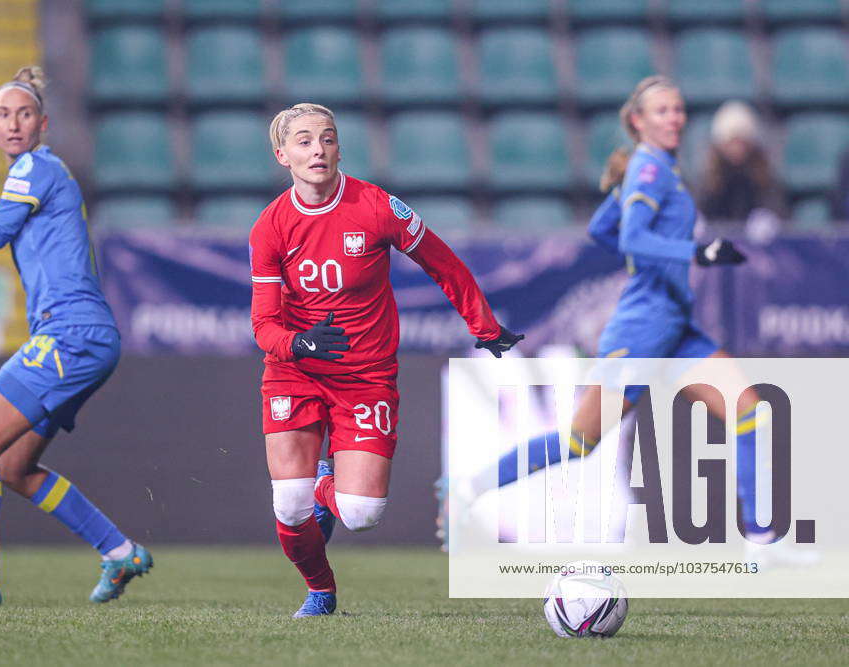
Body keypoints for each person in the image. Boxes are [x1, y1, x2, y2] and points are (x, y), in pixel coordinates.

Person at [443, 77, 781, 553]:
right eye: (662, 111)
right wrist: (697, 253)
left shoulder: (655, 168)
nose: (674, 118)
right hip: (643, 329)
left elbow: (604, 229)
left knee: (746, 410)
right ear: (639, 121)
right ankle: (470, 487)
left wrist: (649, 258)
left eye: (678, 109)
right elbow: (630, 238)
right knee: (580, 442)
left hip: (675, 326)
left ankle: (764, 542)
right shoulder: (651, 170)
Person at [249, 103, 522, 617]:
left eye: (328, 139)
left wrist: (483, 325)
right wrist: (299, 344)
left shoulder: (377, 207)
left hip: (365, 376)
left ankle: (323, 479)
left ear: (339, 148)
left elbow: (441, 261)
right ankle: (321, 591)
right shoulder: (270, 227)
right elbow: (263, 325)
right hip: (295, 372)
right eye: (304, 141)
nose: (318, 150)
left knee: (361, 513)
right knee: (289, 502)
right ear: (282, 155)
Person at [0, 66, 152, 607]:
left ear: (42, 124)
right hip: (88, 336)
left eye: (25, 114)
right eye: (3, 114)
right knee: (12, 465)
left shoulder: (33, 169)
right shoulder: (40, 174)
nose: (15, 123)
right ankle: (120, 552)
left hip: (70, 333)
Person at [698, 100, 786, 223]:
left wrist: (771, 218)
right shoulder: (708, 181)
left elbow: (778, 207)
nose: (736, 149)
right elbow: (699, 207)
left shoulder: (765, 179)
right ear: (720, 145)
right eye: (731, 142)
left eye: (741, 142)